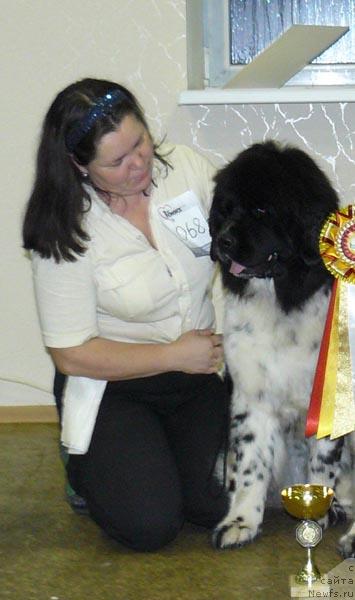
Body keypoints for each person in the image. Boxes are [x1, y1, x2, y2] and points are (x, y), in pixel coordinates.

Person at [22, 78, 230, 552]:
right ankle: (84, 466)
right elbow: (71, 355)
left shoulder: (185, 170)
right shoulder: (65, 224)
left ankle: (160, 466)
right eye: (116, 162)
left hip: (195, 374)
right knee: (150, 526)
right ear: (80, 165)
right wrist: (174, 353)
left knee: (219, 505)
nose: (138, 163)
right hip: (112, 385)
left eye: (140, 142)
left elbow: (242, 239)